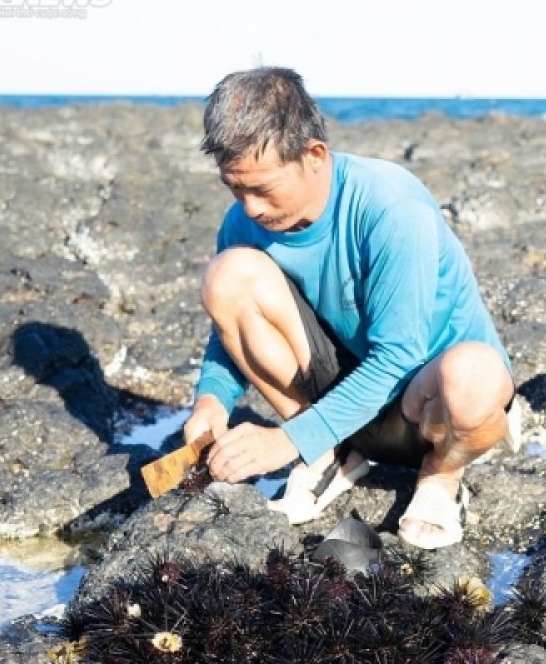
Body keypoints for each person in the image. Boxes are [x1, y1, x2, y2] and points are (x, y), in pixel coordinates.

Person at [181, 67, 519, 550]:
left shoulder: (390, 207)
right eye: (236, 188)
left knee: (476, 376)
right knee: (227, 274)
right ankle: (333, 454)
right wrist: (211, 400)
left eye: (262, 188)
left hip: (427, 408)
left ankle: (442, 478)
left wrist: (288, 440)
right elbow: (227, 326)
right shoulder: (244, 221)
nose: (250, 207)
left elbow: (400, 355)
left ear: (314, 155)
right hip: (342, 397)